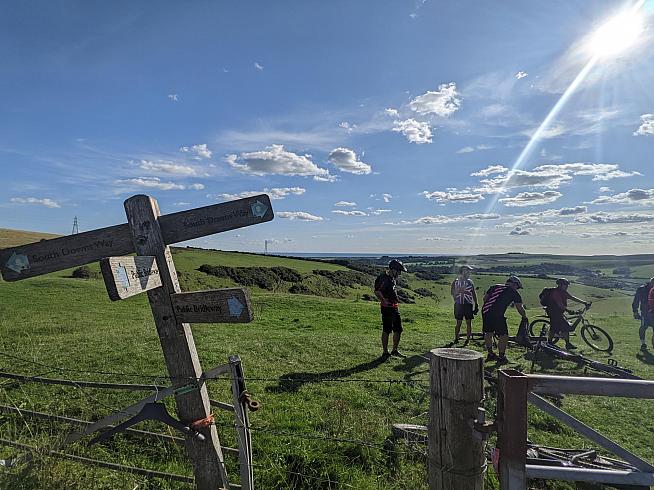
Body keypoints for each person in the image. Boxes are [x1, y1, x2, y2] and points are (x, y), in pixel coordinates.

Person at [482, 276, 528, 364]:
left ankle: (490, 353)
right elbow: (519, 307)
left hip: (486, 311)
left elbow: (485, 299)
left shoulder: (494, 287)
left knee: (488, 333)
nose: (517, 289)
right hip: (497, 314)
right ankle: (501, 357)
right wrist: (524, 316)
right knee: (504, 336)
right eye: (517, 287)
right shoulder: (513, 292)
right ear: (515, 284)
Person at [374, 259, 407, 359]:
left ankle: (394, 351)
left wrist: (396, 299)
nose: (400, 273)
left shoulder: (392, 279)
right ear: (393, 269)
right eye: (399, 271)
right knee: (387, 330)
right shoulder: (383, 278)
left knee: (398, 329)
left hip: (394, 307)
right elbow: (377, 291)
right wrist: (384, 301)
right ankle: (385, 352)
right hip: (387, 308)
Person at [545, 278, 590, 350]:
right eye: (565, 285)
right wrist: (569, 310)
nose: (567, 286)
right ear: (560, 285)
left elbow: (572, 297)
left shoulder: (564, 292)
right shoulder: (556, 292)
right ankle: (550, 342)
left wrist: (584, 302)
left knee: (562, 327)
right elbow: (560, 304)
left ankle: (567, 344)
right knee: (561, 327)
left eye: (567, 285)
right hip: (553, 312)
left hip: (559, 312)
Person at [451, 265, 478, 344]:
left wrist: (476, 304)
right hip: (459, 304)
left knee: (468, 323)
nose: (469, 273)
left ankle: (468, 340)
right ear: (463, 271)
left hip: (468, 305)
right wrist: (459, 291)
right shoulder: (456, 281)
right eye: (468, 271)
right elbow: (453, 293)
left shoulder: (470, 282)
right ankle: (456, 338)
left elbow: (473, 293)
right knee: (459, 322)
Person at [633, 277, 654, 350]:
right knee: (643, 327)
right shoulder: (641, 289)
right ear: (651, 282)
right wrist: (635, 311)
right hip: (645, 313)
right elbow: (636, 300)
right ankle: (643, 344)